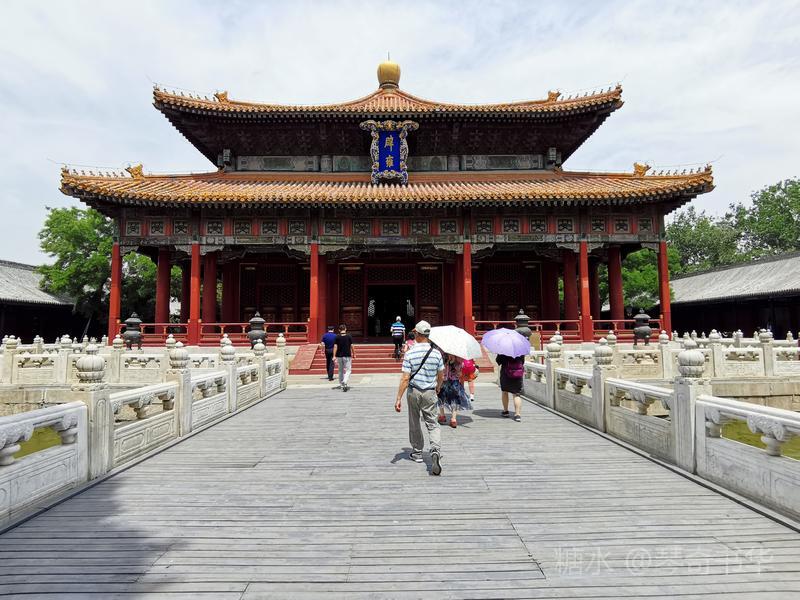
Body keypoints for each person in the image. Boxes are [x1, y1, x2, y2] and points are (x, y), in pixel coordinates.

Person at [394, 320, 444, 475]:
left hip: (414, 391)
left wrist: (398, 398)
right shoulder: (436, 353)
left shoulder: (410, 353)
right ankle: (435, 450)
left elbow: (405, 378)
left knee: (414, 421)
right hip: (430, 392)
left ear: (417, 334)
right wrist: (438, 387)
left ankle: (417, 452)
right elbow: (441, 375)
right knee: (433, 423)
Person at [437, 354, 472, 428]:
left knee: (441, 398)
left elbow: (439, 371)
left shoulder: (442, 357)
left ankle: (442, 416)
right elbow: (460, 374)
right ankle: (453, 419)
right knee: (454, 400)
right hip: (454, 382)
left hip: (444, 382)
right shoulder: (459, 360)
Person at [496, 353, 525, 421]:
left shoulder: (503, 350)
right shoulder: (520, 350)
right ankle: (517, 414)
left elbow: (498, 361)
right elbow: (522, 361)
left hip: (505, 373)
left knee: (505, 391)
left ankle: (505, 411)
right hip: (517, 372)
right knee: (516, 394)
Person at [334, 324, 355, 392]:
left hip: (339, 356)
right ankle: (345, 381)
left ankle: (341, 384)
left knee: (340, 370)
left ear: (339, 330)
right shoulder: (349, 336)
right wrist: (354, 354)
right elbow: (352, 346)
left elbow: (335, 346)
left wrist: (334, 356)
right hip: (347, 355)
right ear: (345, 329)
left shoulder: (337, 337)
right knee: (348, 370)